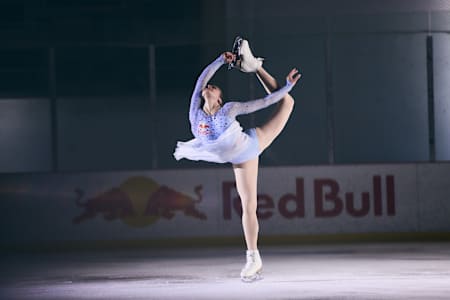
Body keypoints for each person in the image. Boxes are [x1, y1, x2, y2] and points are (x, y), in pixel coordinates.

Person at [174, 37, 301, 282]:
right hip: (237, 159)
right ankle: (254, 258)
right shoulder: (195, 113)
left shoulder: (229, 109)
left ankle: (256, 68)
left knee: (288, 102)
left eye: (214, 88)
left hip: (251, 146)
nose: (209, 87)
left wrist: (286, 86)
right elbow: (201, 80)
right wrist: (221, 60)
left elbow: (264, 102)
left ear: (220, 98)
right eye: (209, 87)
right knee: (247, 207)